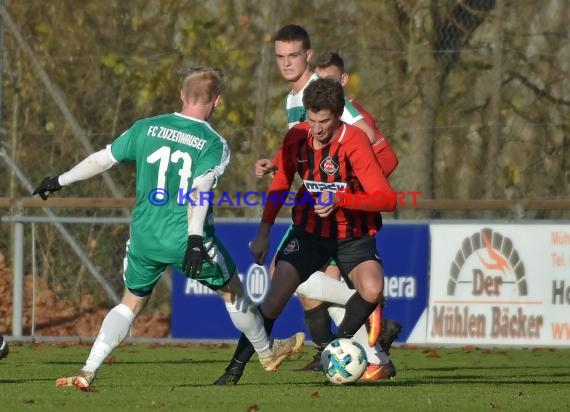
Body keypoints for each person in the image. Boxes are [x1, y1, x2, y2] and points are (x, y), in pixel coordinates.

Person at [32, 66, 304, 389]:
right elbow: (200, 189)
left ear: (182, 96)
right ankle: (267, 352)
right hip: (185, 235)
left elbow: (103, 159)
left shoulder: (146, 128)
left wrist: (59, 180)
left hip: (145, 236)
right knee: (233, 293)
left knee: (130, 303)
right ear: (216, 101)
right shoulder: (213, 143)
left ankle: (88, 369)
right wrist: (193, 240)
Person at [216, 78, 397, 385]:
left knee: (372, 288)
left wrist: (339, 198)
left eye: (324, 121)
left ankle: (336, 348)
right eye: (312, 120)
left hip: (352, 234)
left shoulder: (354, 141)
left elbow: (387, 198)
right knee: (274, 299)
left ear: (338, 114)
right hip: (310, 233)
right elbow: (280, 185)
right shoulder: (297, 136)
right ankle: (232, 371)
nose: (317, 129)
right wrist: (264, 233)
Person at [251, 26, 400, 377]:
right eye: (280, 56)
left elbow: (384, 154)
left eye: (293, 56)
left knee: (292, 279)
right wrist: (279, 162)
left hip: (339, 218)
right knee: (305, 289)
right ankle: (362, 354)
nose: (286, 63)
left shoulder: (335, 103)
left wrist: (348, 194)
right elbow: (306, 147)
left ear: (307, 56)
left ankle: (359, 341)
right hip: (318, 211)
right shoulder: (296, 99)